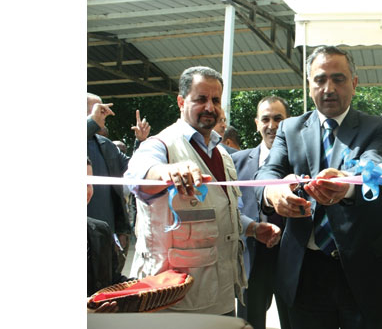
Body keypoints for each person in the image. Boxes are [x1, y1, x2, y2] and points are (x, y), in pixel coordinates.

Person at [255, 46, 382, 329]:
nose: (329, 88)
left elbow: (376, 165)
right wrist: (276, 194)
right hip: (304, 272)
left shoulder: (377, 127)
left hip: (365, 272)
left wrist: (346, 184)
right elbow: (268, 172)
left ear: (354, 83)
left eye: (338, 79)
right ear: (309, 85)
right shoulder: (290, 128)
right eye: (320, 79)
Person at [124, 66, 280, 315]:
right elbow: (136, 174)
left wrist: (252, 228)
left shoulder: (222, 155)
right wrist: (166, 172)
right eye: (201, 99)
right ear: (181, 101)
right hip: (172, 301)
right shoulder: (161, 145)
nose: (210, 107)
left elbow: (223, 211)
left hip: (221, 296)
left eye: (215, 100)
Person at [232, 95, 292, 329]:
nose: (272, 125)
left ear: (288, 122)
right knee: (249, 322)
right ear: (257, 123)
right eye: (265, 119)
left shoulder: (300, 162)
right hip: (252, 257)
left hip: (291, 257)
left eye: (278, 118)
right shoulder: (236, 162)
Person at [86, 93, 132, 258]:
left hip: (107, 234)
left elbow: (133, 167)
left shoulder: (106, 145)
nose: (104, 112)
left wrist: (141, 142)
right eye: (99, 109)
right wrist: (91, 122)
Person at [87, 157, 130, 298]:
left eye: (90, 183)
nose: (86, 191)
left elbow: (112, 282)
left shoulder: (101, 231)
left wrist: (149, 286)